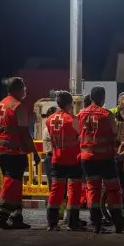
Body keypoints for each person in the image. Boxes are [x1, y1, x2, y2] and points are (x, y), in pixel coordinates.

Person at [0, 77, 40, 230]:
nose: (25, 90)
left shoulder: (1, 104)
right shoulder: (18, 107)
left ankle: (17, 217)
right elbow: (25, 133)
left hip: (1, 150)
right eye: (23, 88)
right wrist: (34, 152)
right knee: (12, 183)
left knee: (15, 184)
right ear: (17, 89)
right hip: (14, 151)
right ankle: (0, 216)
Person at [78, 86, 124, 233]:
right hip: (106, 159)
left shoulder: (80, 114)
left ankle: (96, 225)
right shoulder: (107, 115)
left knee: (93, 190)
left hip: (87, 158)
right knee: (113, 190)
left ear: (91, 97)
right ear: (103, 98)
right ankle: (118, 224)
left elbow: (77, 134)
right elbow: (116, 136)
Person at [45, 91, 84, 231]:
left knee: (56, 192)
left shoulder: (48, 119)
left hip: (56, 159)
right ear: (69, 104)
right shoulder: (72, 120)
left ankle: (52, 223)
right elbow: (82, 138)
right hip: (73, 160)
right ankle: (72, 222)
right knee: (74, 191)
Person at [41, 106, 57, 188]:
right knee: (54, 186)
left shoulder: (49, 128)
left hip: (53, 157)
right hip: (52, 158)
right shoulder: (48, 129)